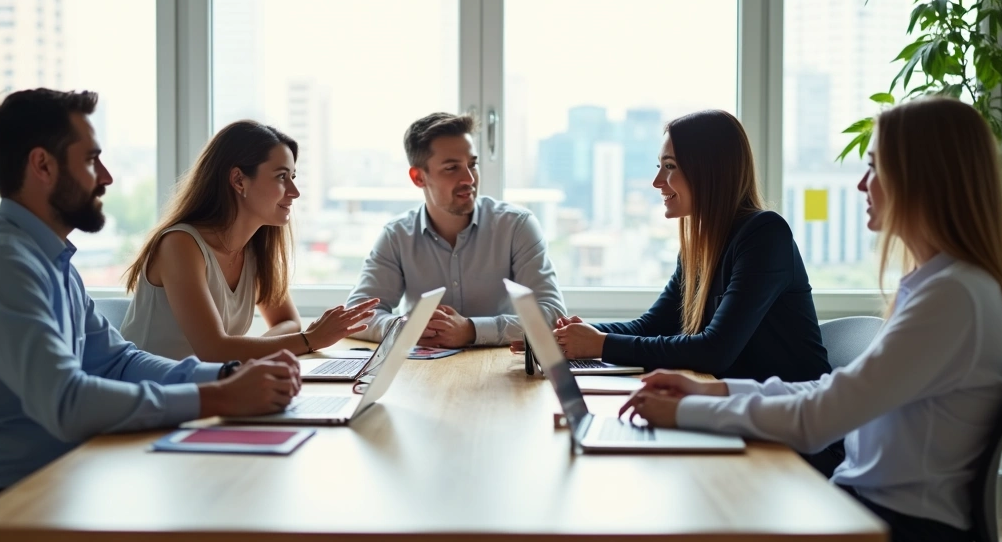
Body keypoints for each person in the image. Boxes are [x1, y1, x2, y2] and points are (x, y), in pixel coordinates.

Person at [622, 96, 1002, 542]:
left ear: (923, 179)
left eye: (874, 167)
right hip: (865, 512)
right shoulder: (940, 287)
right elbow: (829, 391)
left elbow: (818, 419)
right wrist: (709, 391)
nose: (861, 184)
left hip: (896, 541)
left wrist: (686, 410)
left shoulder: (952, 298)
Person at [0, 89, 301, 542]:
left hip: (68, 476)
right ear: (42, 166)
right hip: (6, 507)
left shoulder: (51, 263)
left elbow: (119, 361)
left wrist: (227, 375)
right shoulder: (2, 263)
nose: (106, 176)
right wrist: (219, 397)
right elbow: (67, 403)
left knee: (270, 538)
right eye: (91, 160)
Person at [551, 109, 842, 475]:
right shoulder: (700, 244)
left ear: (709, 171)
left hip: (794, 438)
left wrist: (600, 344)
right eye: (660, 166)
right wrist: (570, 338)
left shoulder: (765, 234)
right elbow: (651, 325)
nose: (657, 181)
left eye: (670, 167)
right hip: (738, 421)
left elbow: (713, 351)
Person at [120, 120, 377, 361]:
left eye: (293, 177)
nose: (295, 192)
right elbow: (213, 350)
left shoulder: (252, 250)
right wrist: (308, 340)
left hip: (205, 386)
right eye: (281, 177)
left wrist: (252, 350)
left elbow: (288, 322)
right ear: (239, 180)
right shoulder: (180, 245)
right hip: (151, 389)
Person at [345, 111, 566, 348]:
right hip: (421, 367)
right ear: (418, 177)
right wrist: (406, 327)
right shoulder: (396, 236)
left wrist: (472, 330)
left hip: (500, 365)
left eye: (472, 165)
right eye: (452, 168)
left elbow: (552, 314)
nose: (469, 179)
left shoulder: (516, 226)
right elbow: (356, 316)